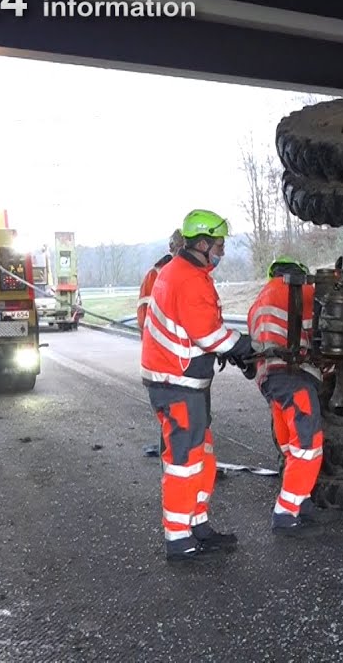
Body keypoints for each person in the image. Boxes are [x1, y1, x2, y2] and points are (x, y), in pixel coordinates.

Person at [140, 210, 255, 563]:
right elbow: (207, 334)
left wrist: (230, 349)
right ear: (202, 244)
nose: (222, 252)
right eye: (219, 245)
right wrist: (244, 346)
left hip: (182, 380)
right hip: (176, 383)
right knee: (184, 462)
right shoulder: (189, 278)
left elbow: (198, 331)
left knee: (201, 455)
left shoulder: (181, 271)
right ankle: (178, 539)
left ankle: (197, 524)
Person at [246, 255, 325, 536]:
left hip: (269, 381)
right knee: (307, 445)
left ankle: (301, 501)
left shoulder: (258, 301)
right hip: (294, 377)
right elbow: (325, 331)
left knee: (290, 444)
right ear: (299, 273)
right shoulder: (303, 290)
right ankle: (286, 513)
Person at [136, 229, 183, 330]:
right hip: (162, 342)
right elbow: (144, 318)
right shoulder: (154, 275)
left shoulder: (193, 276)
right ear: (173, 249)